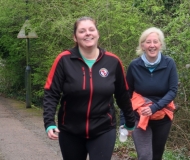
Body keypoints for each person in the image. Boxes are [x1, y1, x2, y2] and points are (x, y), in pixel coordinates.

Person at [43, 16, 135, 160]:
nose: (88, 33)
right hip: (70, 130)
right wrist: (49, 122)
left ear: (97, 34)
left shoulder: (113, 61)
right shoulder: (64, 60)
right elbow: (51, 93)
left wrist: (130, 122)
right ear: (75, 37)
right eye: (82, 31)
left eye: (91, 29)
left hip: (103, 129)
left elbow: (123, 95)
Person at [126, 27, 178, 160]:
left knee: (156, 156)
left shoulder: (169, 63)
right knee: (144, 156)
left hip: (162, 117)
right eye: (148, 42)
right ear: (142, 45)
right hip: (139, 116)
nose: (152, 45)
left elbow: (172, 91)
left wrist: (154, 107)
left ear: (161, 44)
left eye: (156, 42)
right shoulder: (134, 65)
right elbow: (127, 94)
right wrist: (124, 120)